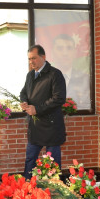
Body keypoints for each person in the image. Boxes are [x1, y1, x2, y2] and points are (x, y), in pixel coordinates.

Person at [20, 45, 66, 179]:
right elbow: (23, 92)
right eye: (29, 59)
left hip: (51, 126)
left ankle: (56, 191)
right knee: (30, 159)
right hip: (35, 126)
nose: (31, 62)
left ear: (43, 57)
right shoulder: (30, 75)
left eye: (34, 58)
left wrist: (37, 109)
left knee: (53, 163)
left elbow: (59, 98)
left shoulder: (55, 74)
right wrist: (24, 102)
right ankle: (27, 188)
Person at [51, 34, 91, 110]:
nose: (65, 53)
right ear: (52, 53)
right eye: (60, 48)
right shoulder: (44, 79)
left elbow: (86, 107)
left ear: (75, 52)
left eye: (69, 48)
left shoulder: (85, 78)